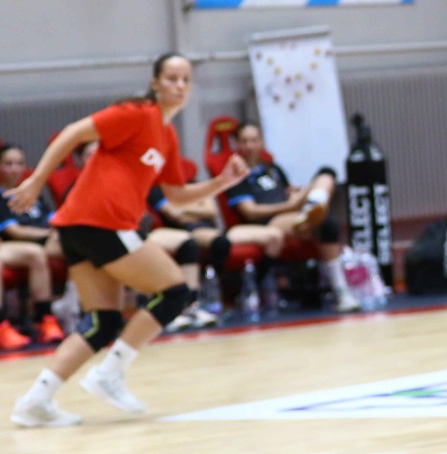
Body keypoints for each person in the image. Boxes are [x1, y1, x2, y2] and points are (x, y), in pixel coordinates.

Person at [6, 53, 249, 427]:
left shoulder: (167, 135)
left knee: (102, 322)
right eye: (171, 78)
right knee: (174, 292)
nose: (179, 86)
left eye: (185, 79)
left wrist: (221, 183)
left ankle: (34, 402)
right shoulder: (136, 113)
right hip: (99, 222)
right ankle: (110, 373)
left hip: (79, 227)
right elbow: (73, 132)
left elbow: (176, 194)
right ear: (155, 83)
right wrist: (36, 180)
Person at [223, 121, 358, 314]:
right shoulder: (235, 176)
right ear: (236, 144)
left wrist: (296, 194)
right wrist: (289, 205)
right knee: (324, 223)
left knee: (326, 174)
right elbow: (250, 211)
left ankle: (314, 203)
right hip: (269, 221)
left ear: (261, 142)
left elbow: (286, 191)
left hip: (293, 210)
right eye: (244, 141)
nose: (249, 145)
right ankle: (341, 290)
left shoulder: (273, 169)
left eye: (254, 140)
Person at [0, 143, 67, 346]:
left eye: (19, 163)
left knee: (79, 247)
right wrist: (48, 234)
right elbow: (14, 231)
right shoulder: (2, 197)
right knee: (35, 253)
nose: (14, 169)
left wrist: (60, 231)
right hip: (13, 246)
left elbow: (55, 219)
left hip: (45, 242)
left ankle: (74, 308)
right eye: (8, 164)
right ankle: (9, 326)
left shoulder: (32, 194)